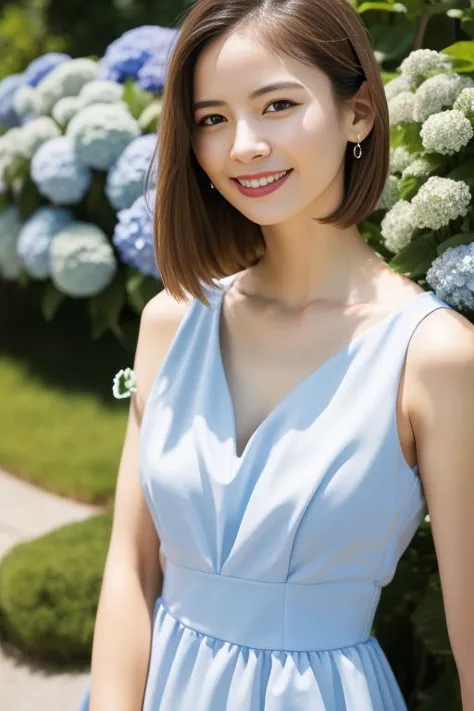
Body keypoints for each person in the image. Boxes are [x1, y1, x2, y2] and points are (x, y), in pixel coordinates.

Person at [81, 0, 474, 709]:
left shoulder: (435, 355)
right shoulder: (171, 321)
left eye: (278, 105)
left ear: (358, 114)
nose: (243, 146)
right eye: (212, 119)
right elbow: (131, 568)